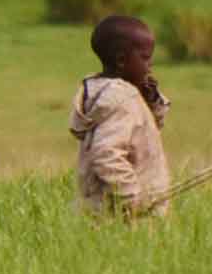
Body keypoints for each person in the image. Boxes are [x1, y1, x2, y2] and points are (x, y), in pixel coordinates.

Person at [69, 15, 173, 218]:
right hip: (123, 216)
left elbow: (138, 132)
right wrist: (131, 197)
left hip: (104, 209)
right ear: (121, 61)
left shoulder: (102, 92)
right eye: (145, 58)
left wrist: (150, 102)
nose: (150, 65)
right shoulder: (123, 100)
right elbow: (106, 153)